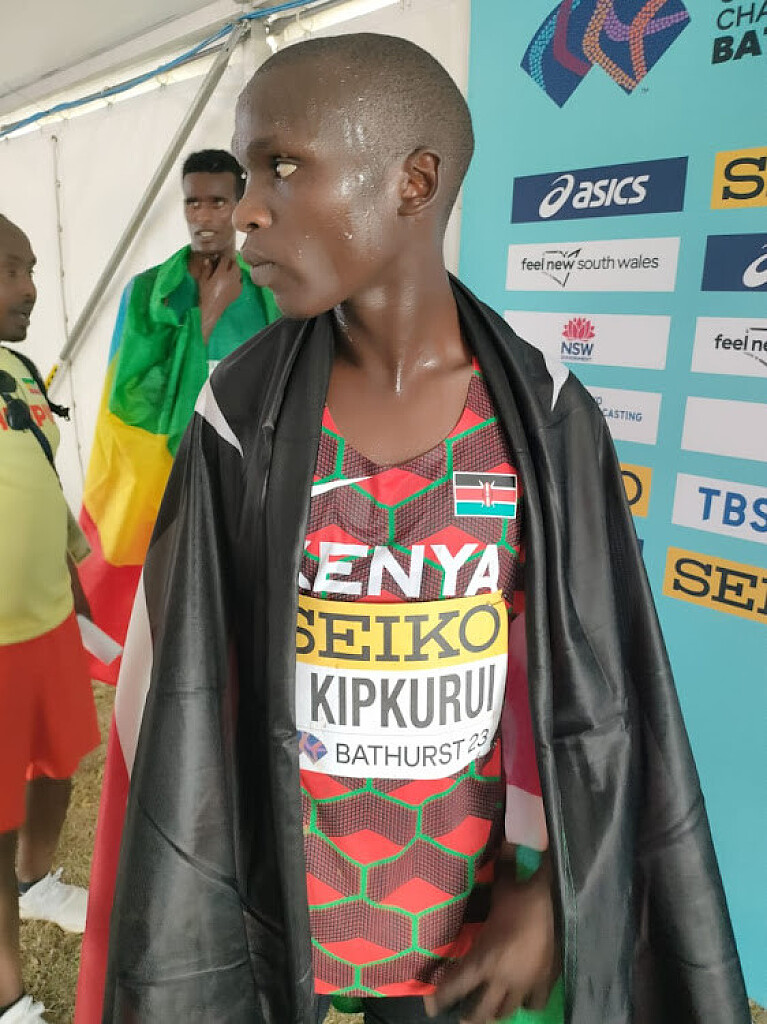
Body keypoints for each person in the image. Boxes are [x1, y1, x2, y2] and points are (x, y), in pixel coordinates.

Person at [86, 34, 749, 1024]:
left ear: (414, 182)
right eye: (245, 174)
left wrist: (551, 885)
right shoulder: (236, 414)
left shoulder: (541, 416)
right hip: (278, 898)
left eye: (282, 166)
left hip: (453, 914)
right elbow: (179, 683)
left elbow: (592, 686)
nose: (248, 207)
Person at [78, 149, 280, 684]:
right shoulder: (150, 293)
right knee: (163, 590)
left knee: (232, 589)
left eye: (218, 202)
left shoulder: (268, 288)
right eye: (194, 203)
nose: (204, 216)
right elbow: (127, 404)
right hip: (159, 477)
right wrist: (206, 314)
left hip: (241, 472)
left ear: (239, 205)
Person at [0, 215, 100, 1024]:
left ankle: (37, 881)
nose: (29, 287)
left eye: (30, 268)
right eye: (9, 269)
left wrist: (74, 569)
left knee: (59, 762)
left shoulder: (19, 370)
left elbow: (38, 476)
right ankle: (8, 998)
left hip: (48, 621)